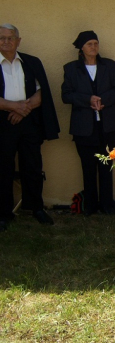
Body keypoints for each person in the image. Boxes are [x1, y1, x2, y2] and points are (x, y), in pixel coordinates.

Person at [0, 23, 59, 231]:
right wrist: (13, 107)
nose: (6, 41)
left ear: (18, 41)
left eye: (10, 37)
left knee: (32, 166)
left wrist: (22, 110)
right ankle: (3, 213)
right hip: (2, 124)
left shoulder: (31, 62)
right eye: (2, 38)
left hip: (29, 123)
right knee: (3, 168)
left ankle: (36, 208)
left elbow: (43, 92)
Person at [62, 31, 115, 216]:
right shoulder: (71, 69)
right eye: (89, 44)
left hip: (107, 126)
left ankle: (107, 205)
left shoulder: (109, 66)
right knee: (88, 167)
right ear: (81, 47)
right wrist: (88, 99)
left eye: (96, 43)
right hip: (83, 127)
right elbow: (66, 95)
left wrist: (103, 99)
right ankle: (90, 205)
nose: (94, 47)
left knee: (107, 166)